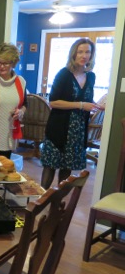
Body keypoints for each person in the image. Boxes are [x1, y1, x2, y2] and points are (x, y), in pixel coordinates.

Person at [40, 38, 105, 189]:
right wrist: (82, 105)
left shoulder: (91, 76)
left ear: (91, 54)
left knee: (67, 169)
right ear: (73, 54)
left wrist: (95, 105)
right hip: (58, 129)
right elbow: (53, 102)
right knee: (50, 166)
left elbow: (85, 98)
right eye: (80, 52)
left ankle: (57, 203)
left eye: (87, 52)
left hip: (78, 131)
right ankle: (40, 202)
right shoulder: (64, 74)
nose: (84, 55)